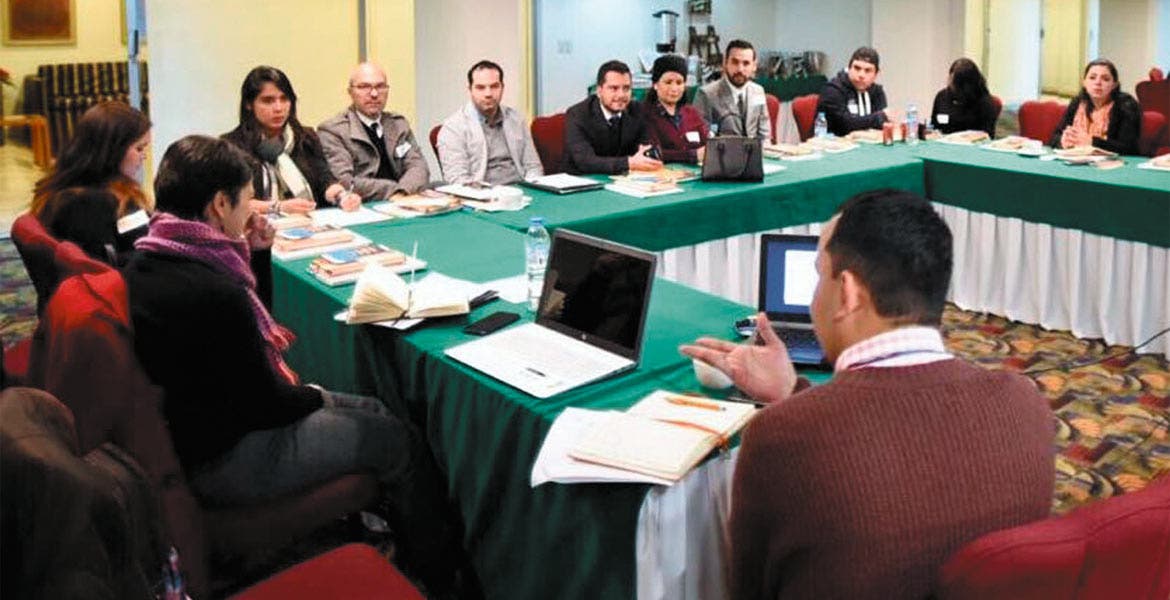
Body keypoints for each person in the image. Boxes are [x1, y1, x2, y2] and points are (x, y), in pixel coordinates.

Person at [121, 135, 477, 596]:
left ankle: (399, 540)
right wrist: (318, 396)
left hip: (198, 436)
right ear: (220, 204)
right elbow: (267, 403)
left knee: (372, 411)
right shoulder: (210, 287)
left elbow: (244, 341)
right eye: (248, 200)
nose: (254, 211)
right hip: (228, 458)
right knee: (397, 440)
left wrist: (259, 255)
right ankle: (441, 574)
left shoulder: (154, 256)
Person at [682, 190, 1054, 599]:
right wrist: (791, 392)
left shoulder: (778, 438)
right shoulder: (1026, 405)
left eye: (819, 276)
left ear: (848, 294)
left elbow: (748, 589)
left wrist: (791, 410)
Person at [222, 66, 359, 215]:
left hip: (309, 220)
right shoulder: (230, 146)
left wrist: (342, 196)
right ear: (249, 104)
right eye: (268, 101)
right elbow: (232, 203)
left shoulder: (305, 137)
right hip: (258, 225)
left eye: (284, 99)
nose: (278, 108)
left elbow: (325, 180)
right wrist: (278, 207)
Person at [30, 101, 152, 264]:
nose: (144, 156)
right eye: (139, 148)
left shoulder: (68, 187)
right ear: (113, 150)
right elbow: (104, 265)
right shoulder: (88, 204)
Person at [318, 62, 430, 199]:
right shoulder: (333, 131)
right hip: (365, 204)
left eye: (380, 86)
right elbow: (345, 182)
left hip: (405, 197)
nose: (374, 94)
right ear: (350, 92)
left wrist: (403, 191)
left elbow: (418, 167)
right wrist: (394, 191)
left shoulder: (398, 125)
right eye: (364, 87)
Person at [437, 60, 543, 185]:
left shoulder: (516, 119)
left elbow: (533, 167)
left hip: (522, 190)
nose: (488, 94)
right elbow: (457, 180)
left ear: (502, 87)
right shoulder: (453, 128)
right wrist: (491, 194)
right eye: (480, 88)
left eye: (494, 86)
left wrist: (533, 189)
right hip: (482, 193)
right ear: (470, 89)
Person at [563, 60, 663, 175]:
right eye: (614, 88)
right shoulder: (578, 114)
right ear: (599, 91)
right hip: (583, 179)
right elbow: (585, 161)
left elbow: (646, 146)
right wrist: (628, 163)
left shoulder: (637, 110)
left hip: (624, 179)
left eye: (626, 88)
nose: (621, 95)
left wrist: (648, 155)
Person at [1049, 58, 1141, 155]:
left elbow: (1128, 148)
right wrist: (1062, 141)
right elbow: (1054, 138)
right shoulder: (1077, 102)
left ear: (1114, 85)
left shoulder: (1126, 105)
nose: (1098, 83)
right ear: (1084, 83)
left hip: (1111, 162)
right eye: (1092, 78)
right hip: (1077, 158)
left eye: (1105, 79)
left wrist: (1092, 142)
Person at [692, 40, 770, 141]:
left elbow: (764, 134)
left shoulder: (758, 91)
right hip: (721, 151)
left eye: (746, 63)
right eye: (735, 62)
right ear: (725, 63)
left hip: (754, 150)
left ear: (754, 66)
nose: (740, 69)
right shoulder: (706, 95)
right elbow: (700, 138)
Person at [818, 47, 899, 136]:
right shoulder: (833, 90)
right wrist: (879, 117)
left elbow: (881, 125)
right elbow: (844, 125)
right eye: (857, 68)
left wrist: (883, 119)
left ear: (876, 74)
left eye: (867, 70)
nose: (861, 75)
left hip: (867, 141)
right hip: (835, 142)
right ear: (849, 69)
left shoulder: (877, 92)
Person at [644, 54, 710, 164]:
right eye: (668, 82)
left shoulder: (691, 113)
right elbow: (653, 153)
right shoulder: (645, 114)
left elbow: (707, 144)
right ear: (655, 84)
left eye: (679, 83)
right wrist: (692, 155)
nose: (674, 88)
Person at [930, 58, 998, 137]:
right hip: (943, 141)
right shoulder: (942, 97)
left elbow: (987, 135)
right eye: (950, 79)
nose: (950, 84)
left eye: (956, 83)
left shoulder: (984, 103)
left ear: (967, 85)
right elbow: (934, 126)